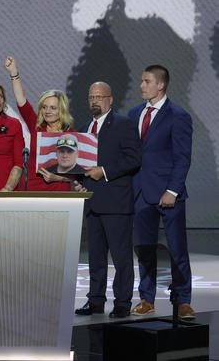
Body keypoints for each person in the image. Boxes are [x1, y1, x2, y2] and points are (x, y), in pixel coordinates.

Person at [128, 65, 195, 320]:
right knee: (145, 248)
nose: (142, 85)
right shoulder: (135, 113)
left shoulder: (178, 116)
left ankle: (183, 300)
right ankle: (147, 298)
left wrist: (172, 190)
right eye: (142, 80)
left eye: (146, 81)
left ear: (160, 85)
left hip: (168, 194)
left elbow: (182, 158)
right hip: (141, 192)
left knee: (177, 248)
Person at [74, 81, 141, 318]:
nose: (95, 101)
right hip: (92, 202)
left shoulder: (124, 125)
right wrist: (79, 182)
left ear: (110, 100)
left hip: (116, 202)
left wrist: (103, 171)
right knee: (95, 257)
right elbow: (80, 164)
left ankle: (122, 302)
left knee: (121, 257)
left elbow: (134, 159)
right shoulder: (83, 129)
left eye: (99, 97)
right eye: (91, 97)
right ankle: (95, 301)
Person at [5, 56, 74, 190]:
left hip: (58, 192)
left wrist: (57, 177)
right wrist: (14, 73)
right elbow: (21, 100)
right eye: (44, 107)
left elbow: (79, 172)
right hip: (32, 189)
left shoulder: (71, 134)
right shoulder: (37, 127)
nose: (47, 111)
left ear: (62, 110)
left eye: (53, 108)